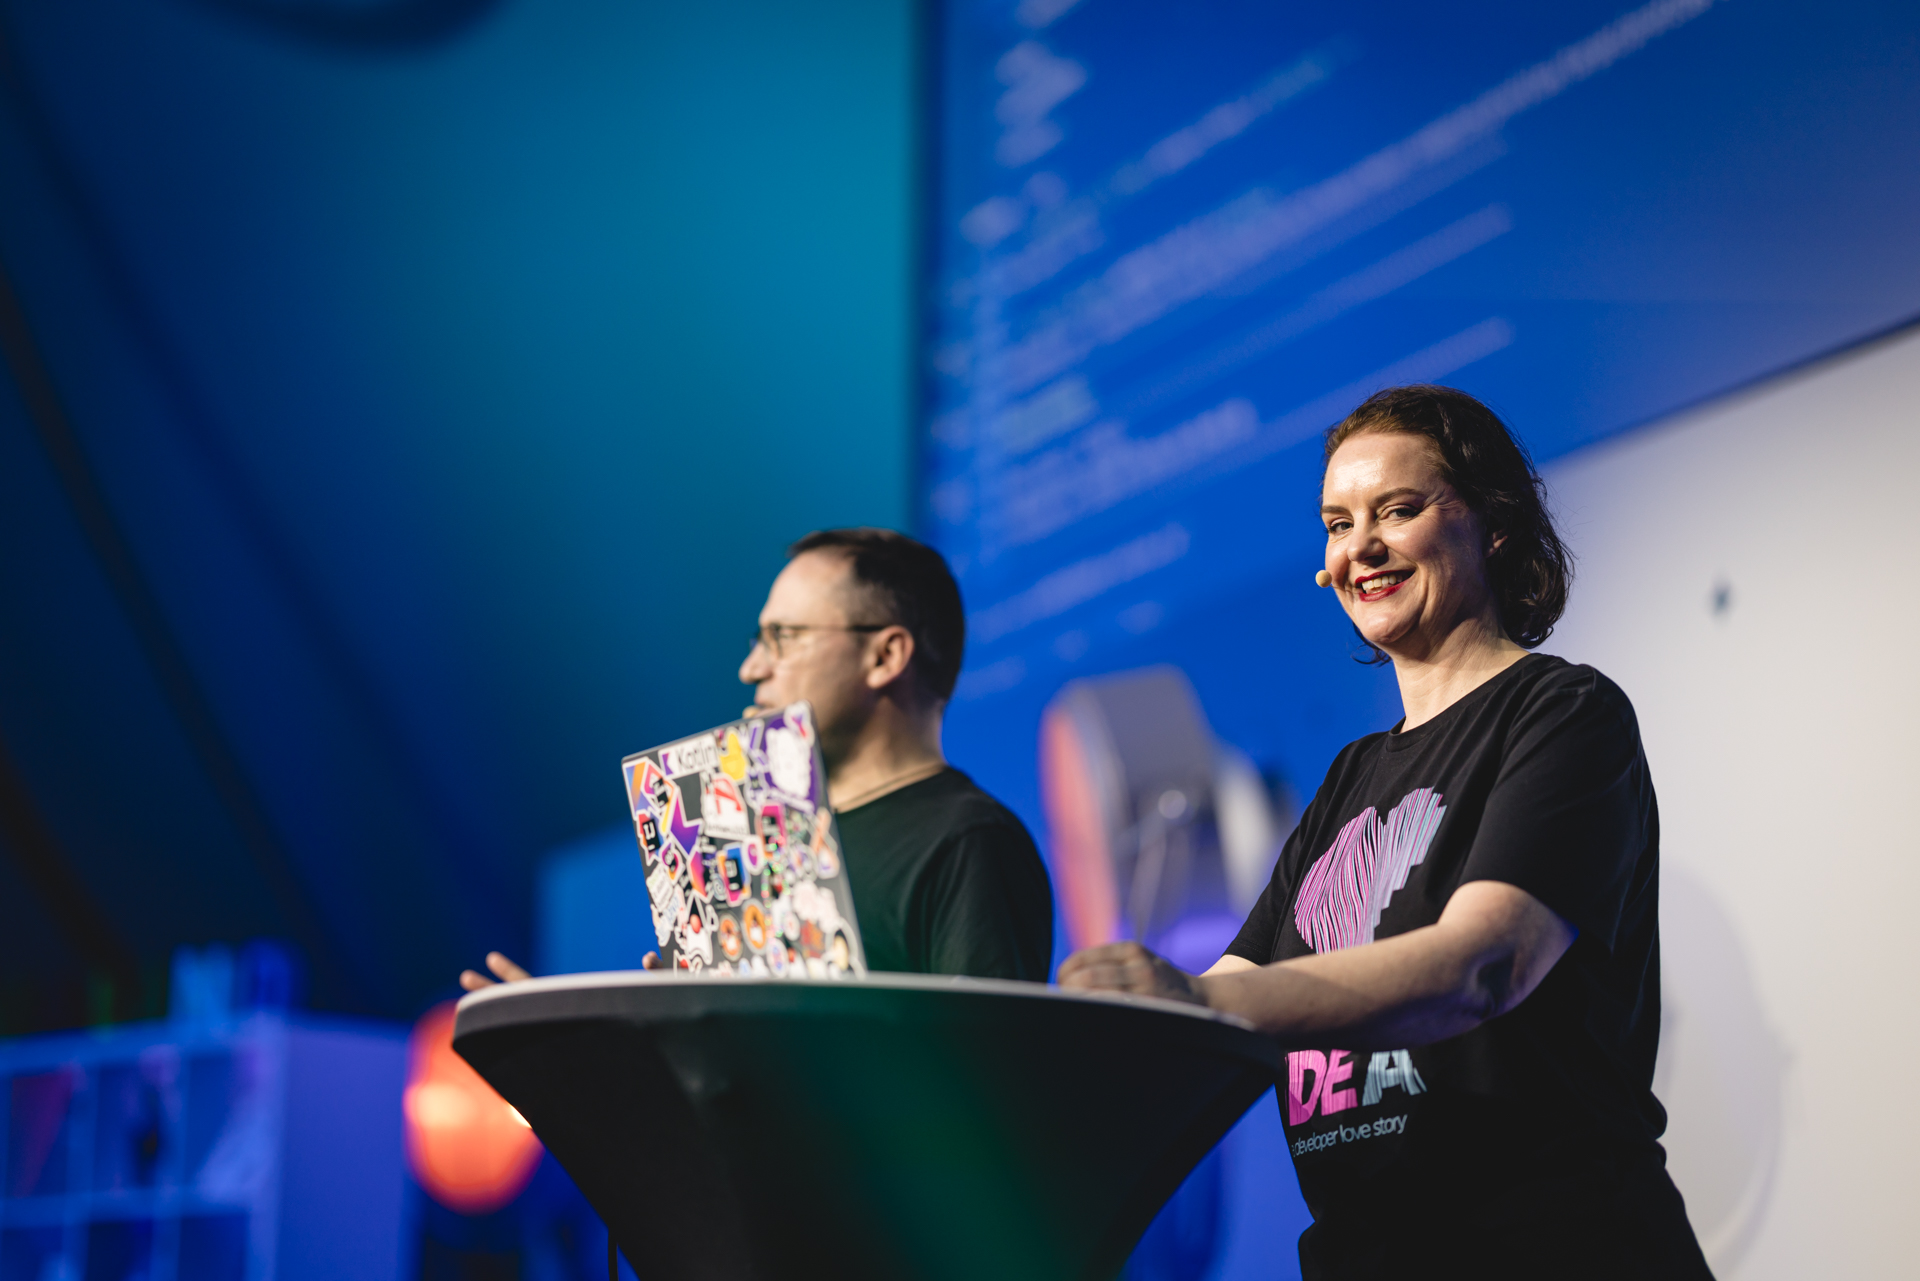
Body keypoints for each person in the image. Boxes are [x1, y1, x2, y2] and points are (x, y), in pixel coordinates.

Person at [1059, 387, 1710, 1279]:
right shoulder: (1351, 775)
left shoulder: (1563, 712)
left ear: (1494, 525)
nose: (1359, 547)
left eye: (1396, 510)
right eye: (1338, 523)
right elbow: (1236, 988)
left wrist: (1196, 1002)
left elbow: (1485, 964)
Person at [463, 527, 1053, 990]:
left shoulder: (969, 841)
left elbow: (983, 1085)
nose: (752, 669)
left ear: (885, 656)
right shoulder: (757, 841)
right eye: (759, 642)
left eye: (784, 638)